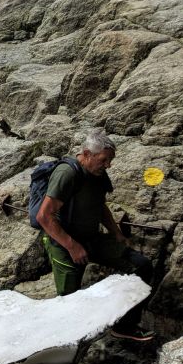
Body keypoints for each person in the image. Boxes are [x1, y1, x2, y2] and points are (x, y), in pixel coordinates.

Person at [36, 130, 155, 341]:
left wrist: (116, 234)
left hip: (91, 238)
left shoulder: (97, 174)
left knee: (141, 265)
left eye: (110, 160)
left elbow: (100, 206)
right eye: (104, 160)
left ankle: (125, 326)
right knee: (68, 300)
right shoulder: (67, 174)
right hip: (63, 243)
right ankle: (64, 344)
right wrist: (72, 246)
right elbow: (44, 216)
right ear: (87, 154)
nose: (108, 165)